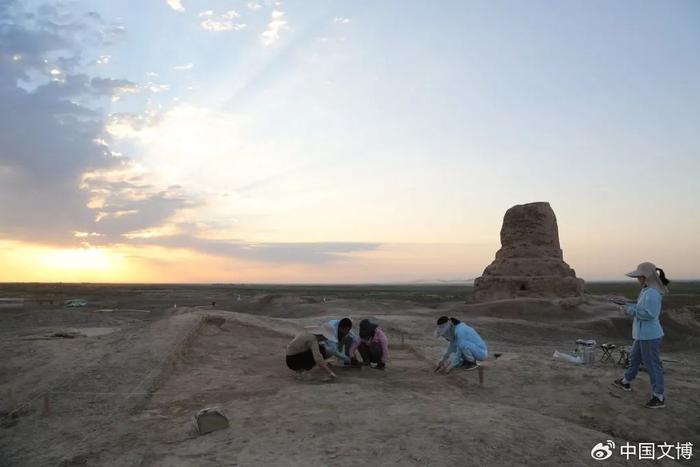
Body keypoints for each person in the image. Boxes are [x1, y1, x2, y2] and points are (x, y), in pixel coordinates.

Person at [612, 262, 670, 409]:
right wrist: (628, 305)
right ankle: (625, 381)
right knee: (634, 358)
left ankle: (659, 396)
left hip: (650, 335)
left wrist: (630, 311)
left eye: (639, 276)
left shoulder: (652, 293)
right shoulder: (647, 290)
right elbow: (641, 308)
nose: (637, 279)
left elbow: (649, 314)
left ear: (646, 277)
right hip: (642, 334)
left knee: (652, 365)